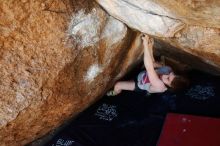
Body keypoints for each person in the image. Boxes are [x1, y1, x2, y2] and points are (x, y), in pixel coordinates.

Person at [107, 34, 189, 96]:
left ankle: (115, 93)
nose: (165, 75)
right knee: (157, 64)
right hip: (143, 75)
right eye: (170, 74)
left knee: (118, 85)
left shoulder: (160, 86)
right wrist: (150, 47)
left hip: (140, 85)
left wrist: (145, 45)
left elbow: (149, 68)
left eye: (167, 79)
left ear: (170, 86)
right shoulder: (168, 69)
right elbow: (152, 64)